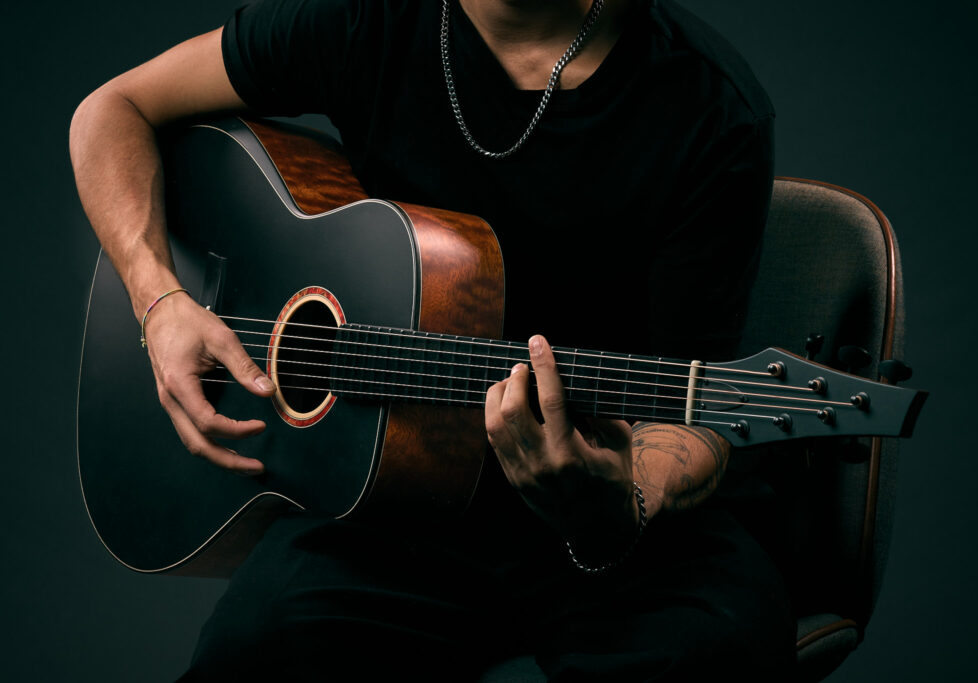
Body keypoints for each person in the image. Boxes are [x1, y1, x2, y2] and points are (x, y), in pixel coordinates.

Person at [70, 0, 793, 679]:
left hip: (618, 530)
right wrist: (160, 298)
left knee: (714, 654)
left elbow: (698, 412)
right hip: (393, 507)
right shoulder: (366, 19)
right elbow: (112, 109)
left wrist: (615, 499)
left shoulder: (708, 101)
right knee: (248, 655)